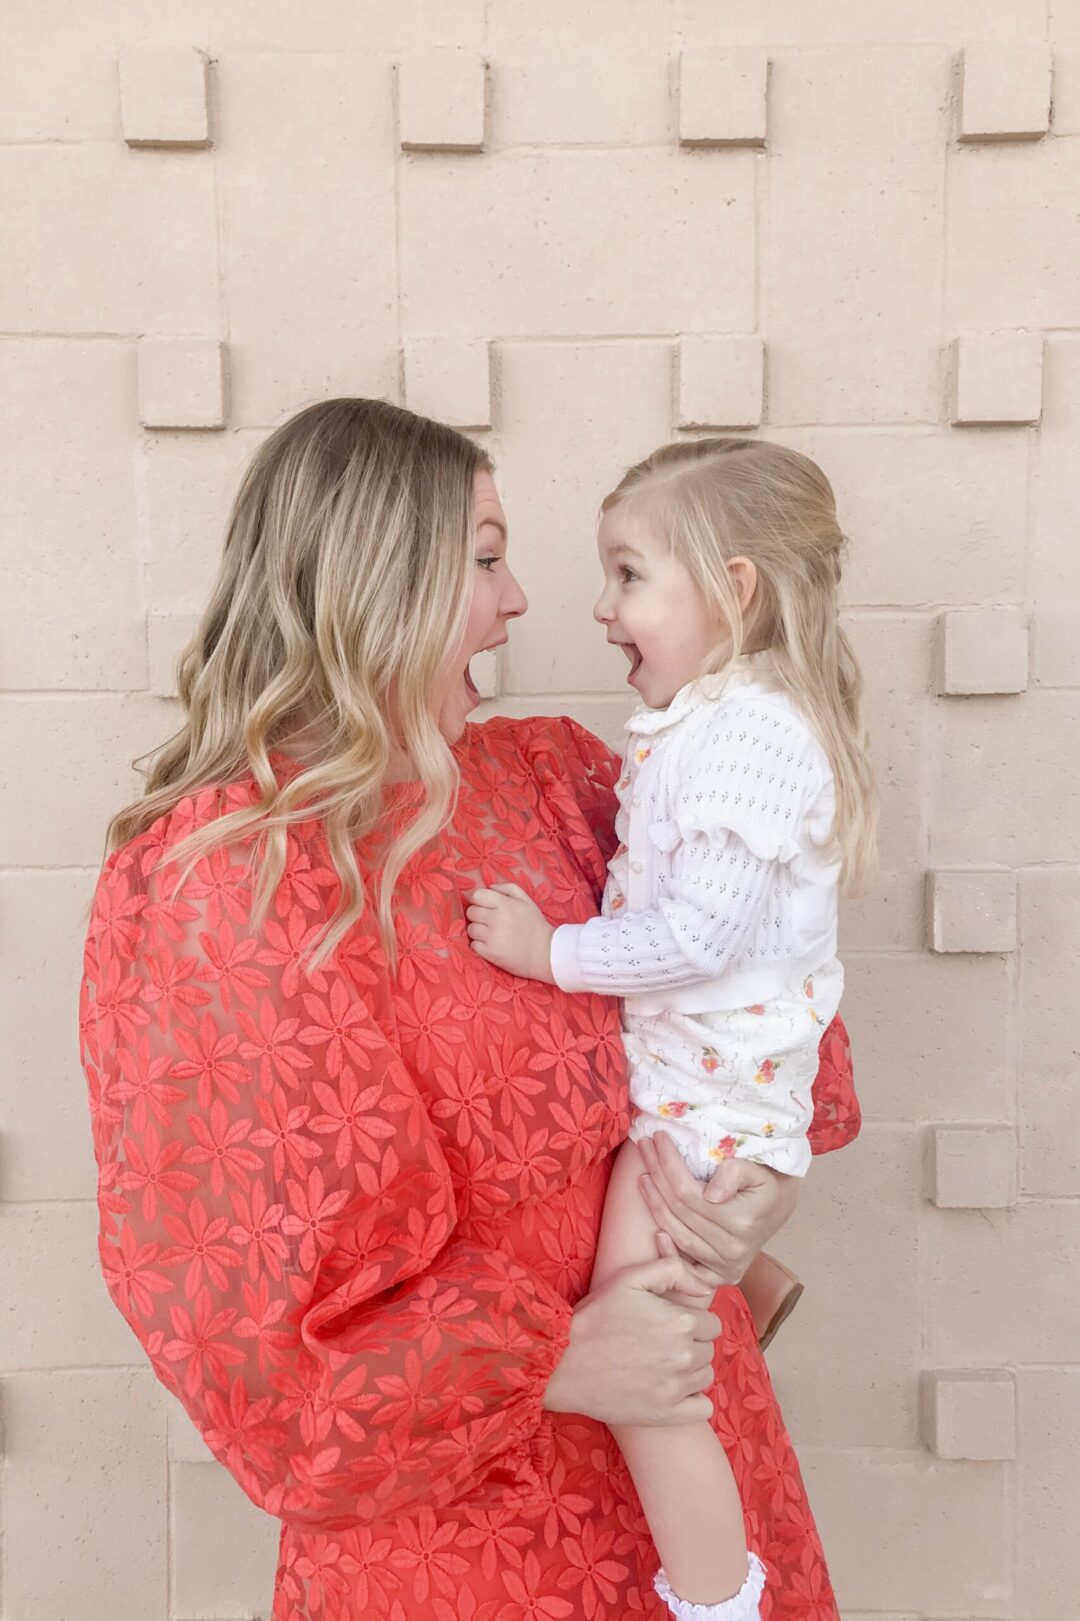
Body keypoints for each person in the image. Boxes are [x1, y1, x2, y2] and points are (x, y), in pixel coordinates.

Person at [77, 399, 862, 1621]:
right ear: (378, 583)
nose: (523, 601)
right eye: (486, 558)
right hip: (464, 1528)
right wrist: (554, 1358)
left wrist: (758, 1187)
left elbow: (753, 982)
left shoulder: (557, 776)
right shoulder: (226, 878)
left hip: (691, 1439)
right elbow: (240, 1317)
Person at [466, 437, 877, 1621]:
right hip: (696, 1113)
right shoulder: (713, 726)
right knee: (656, 1356)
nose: (587, 607)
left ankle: (714, 1602)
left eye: (629, 576)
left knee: (650, 1377)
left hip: (697, 1121)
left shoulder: (739, 741)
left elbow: (709, 940)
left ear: (735, 587)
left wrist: (548, 952)